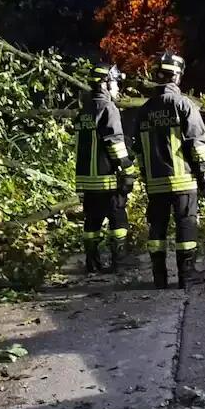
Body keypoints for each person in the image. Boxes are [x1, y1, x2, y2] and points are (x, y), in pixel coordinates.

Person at [133, 51, 205, 289]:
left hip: (155, 182)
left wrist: (146, 175)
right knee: (186, 224)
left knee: (157, 227)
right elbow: (196, 144)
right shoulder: (183, 105)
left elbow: (138, 149)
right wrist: (203, 174)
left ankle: (159, 277)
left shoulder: (144, 110)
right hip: (183, 181)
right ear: (176, 76)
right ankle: (187, 274)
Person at [74, 62, 138, 273]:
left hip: (87, 180)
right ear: (105, 84)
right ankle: (119, 261)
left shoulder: (84, 111)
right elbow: (114, 142)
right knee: (118, 218)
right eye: (115, 83)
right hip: (107, 178)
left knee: (92, 221)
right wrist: (127, 169)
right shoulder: (108, 108)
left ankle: (92, 262)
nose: (117, 88)